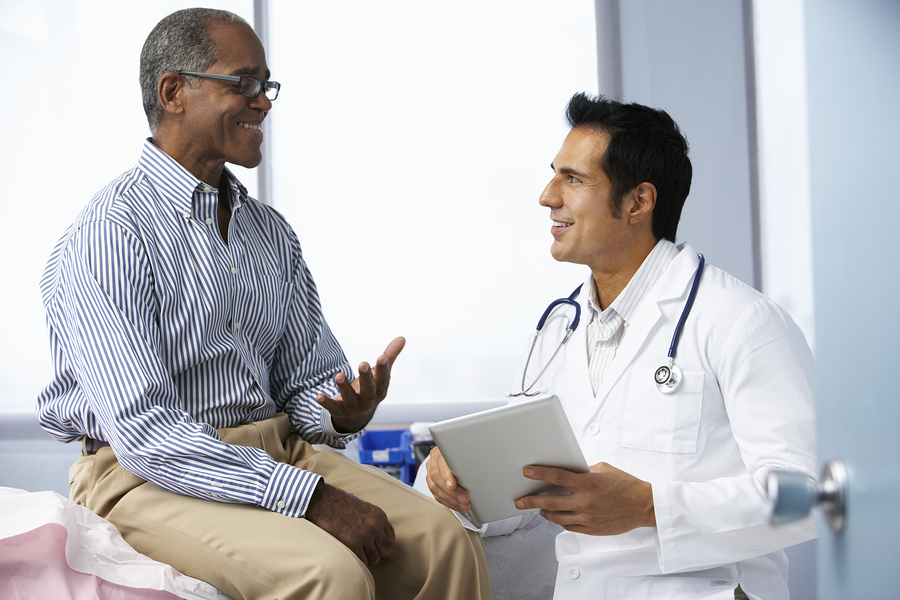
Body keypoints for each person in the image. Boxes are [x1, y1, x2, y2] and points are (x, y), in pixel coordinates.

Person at [36, 8, 491, 600]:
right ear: (173, 91)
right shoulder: (109, 233)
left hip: (278, 450)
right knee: (331, 574)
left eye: (266, 86)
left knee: (446, 539)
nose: (264, 103)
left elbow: (302, 383)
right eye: (244, 84)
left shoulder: (270, 233)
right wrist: (311, 497)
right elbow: (146, 433)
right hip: (145, 474)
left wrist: (338, 413)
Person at [424, 93, 816, 600]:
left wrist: (651, 506)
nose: (547, 196)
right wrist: (463, 484)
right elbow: (527, 493)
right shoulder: (555, 332)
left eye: (573, 179)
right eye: (554, 175)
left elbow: (808, 497)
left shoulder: (741, 321)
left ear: (637, 202)